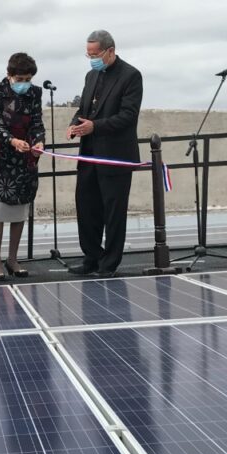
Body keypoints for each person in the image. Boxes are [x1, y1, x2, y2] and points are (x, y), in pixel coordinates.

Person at [67, 30, 143, 278]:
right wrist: (75, 124)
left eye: (95, 54)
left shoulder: (131, 75)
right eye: (88, 55)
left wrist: (95, 126)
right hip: (89, 154)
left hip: (115, 156)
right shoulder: (91, 75)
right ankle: (92, 257)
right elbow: (84, 108)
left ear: (110, 50)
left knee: (113, 212)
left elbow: (128, 116)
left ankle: (109, 264)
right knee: (87, 208)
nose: (92, 59)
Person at [0, 52, 44, 280]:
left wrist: (38, 141)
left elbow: (37, 122)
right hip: (0, 156)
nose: (24, 84)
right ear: (9, 75)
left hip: (26, 156)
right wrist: (12, 141)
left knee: (21, 207)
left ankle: (13, 259)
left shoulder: (36, 93)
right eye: (20, 79)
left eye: (28, 79)